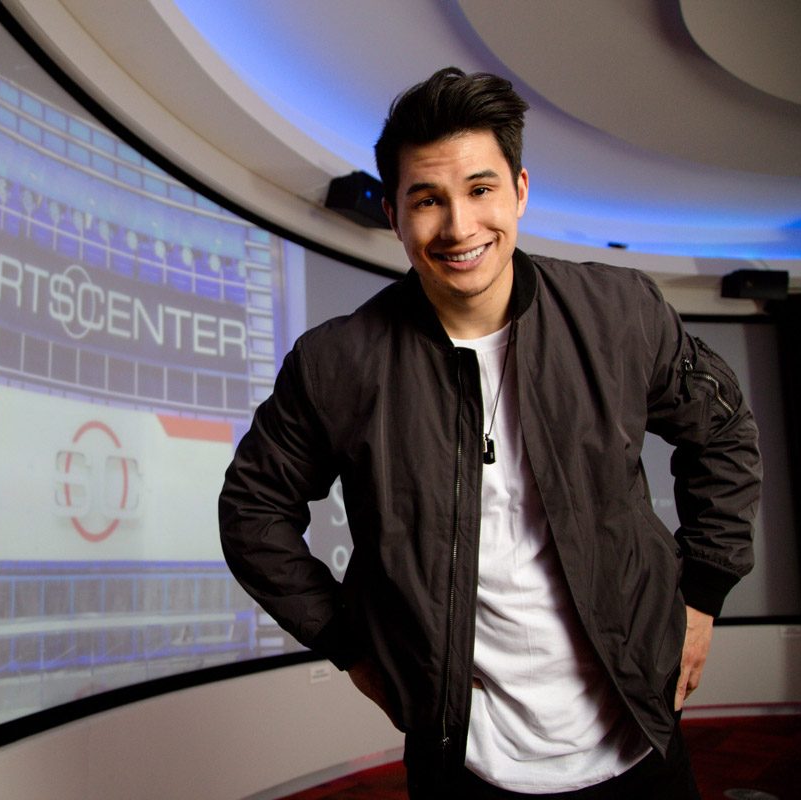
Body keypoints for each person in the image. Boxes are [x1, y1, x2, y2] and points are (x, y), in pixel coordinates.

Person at [218, 67, 761, 798]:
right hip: (464, 763)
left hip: (639, 737)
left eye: (480, 190)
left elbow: (724, 433)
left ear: (521, 191)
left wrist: (701, 595)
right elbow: (252, 513)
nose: (460, 227)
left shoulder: (619, 313)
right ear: (393, 214)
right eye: (427, 200)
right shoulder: (336, 363)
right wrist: (348, 644)